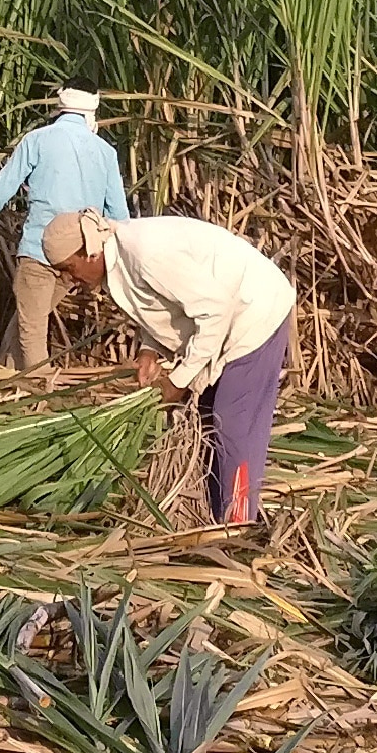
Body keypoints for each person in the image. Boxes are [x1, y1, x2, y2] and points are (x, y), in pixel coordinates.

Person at [41, 209, 294, 526]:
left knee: (231, 424)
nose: (68, 279)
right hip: (225, 322)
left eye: (68, 268)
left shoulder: (146, 254)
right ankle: (211, 515)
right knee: (204, 422)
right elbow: (162, 305)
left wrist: (179, 380)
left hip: (253, 314)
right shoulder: (117, 258)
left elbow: (215, 311)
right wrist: (149, 350)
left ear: (87, 252)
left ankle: (238, 526)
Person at [0, 88, 132, 371]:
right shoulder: (105, 152)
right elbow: (119, 215)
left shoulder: (38, 140)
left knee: (31, 329)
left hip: (39, 250)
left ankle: (38, 398)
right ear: (92, 109)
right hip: (78, 258)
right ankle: (3, 384)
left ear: (61, 105)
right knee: (27, 322)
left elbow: (1, 191)